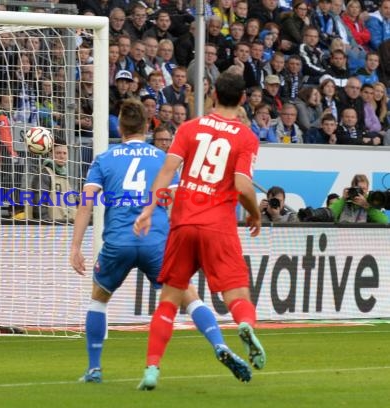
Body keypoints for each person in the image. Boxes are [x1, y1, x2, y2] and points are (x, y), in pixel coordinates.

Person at [70, 98, 252, 385]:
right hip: (157, 241)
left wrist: (75, 246)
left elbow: (86, 203)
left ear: (120, 125)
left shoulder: (104, 159)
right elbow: (181, 200)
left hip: (119, 241)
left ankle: (94, 369)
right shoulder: (161, 158)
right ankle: (220, 345)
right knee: (189, 296)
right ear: (147, 125)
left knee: (99, 298)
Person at [133, 71, 265, 391]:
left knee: (169, 299)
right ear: (243, 99)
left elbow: (167, 169)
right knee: (236, 294)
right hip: (217, 225)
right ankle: (245, 326)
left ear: (213, 96)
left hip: (183, 223)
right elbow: (243, 186)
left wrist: (150, 209)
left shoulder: (190, 128)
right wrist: (255, 213)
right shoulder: (246, 137)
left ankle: (152, 369)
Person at [28, 138, 77, 223]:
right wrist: (47, 226)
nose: (62, 156)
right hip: (51, 230)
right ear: (50, 154)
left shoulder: (62, 174)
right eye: (58, 153)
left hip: (64, 226)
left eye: (65, 153)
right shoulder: (44, 174)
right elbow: (39, 207)